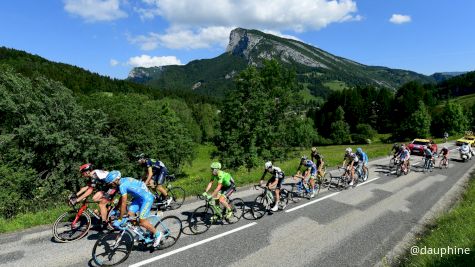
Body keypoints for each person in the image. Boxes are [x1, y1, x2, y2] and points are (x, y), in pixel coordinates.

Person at [105, 171, 162, 247]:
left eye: (111, 183)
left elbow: (123, 203)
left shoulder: (122, 185)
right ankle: (140, 232)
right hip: (139, 198)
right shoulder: (123, 180)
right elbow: (121, 199)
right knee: (130, 215)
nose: (111, 186)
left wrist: (120, 218)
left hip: (147, 199)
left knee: (142, 221)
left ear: (116, 180)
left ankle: (157, 234)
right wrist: (116, 209)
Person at [69, 163, 112, 230]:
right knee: (96, 198)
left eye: (83, 173)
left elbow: (90, 191)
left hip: (113, 186)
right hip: (107, 187)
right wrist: (75, 195)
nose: (82, 175)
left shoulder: (94, 175)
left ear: (87, 171)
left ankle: (105, 222)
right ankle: (105, 211)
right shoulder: (93, 174)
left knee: (98, 201)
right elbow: (86, 187)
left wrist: (77, 200)